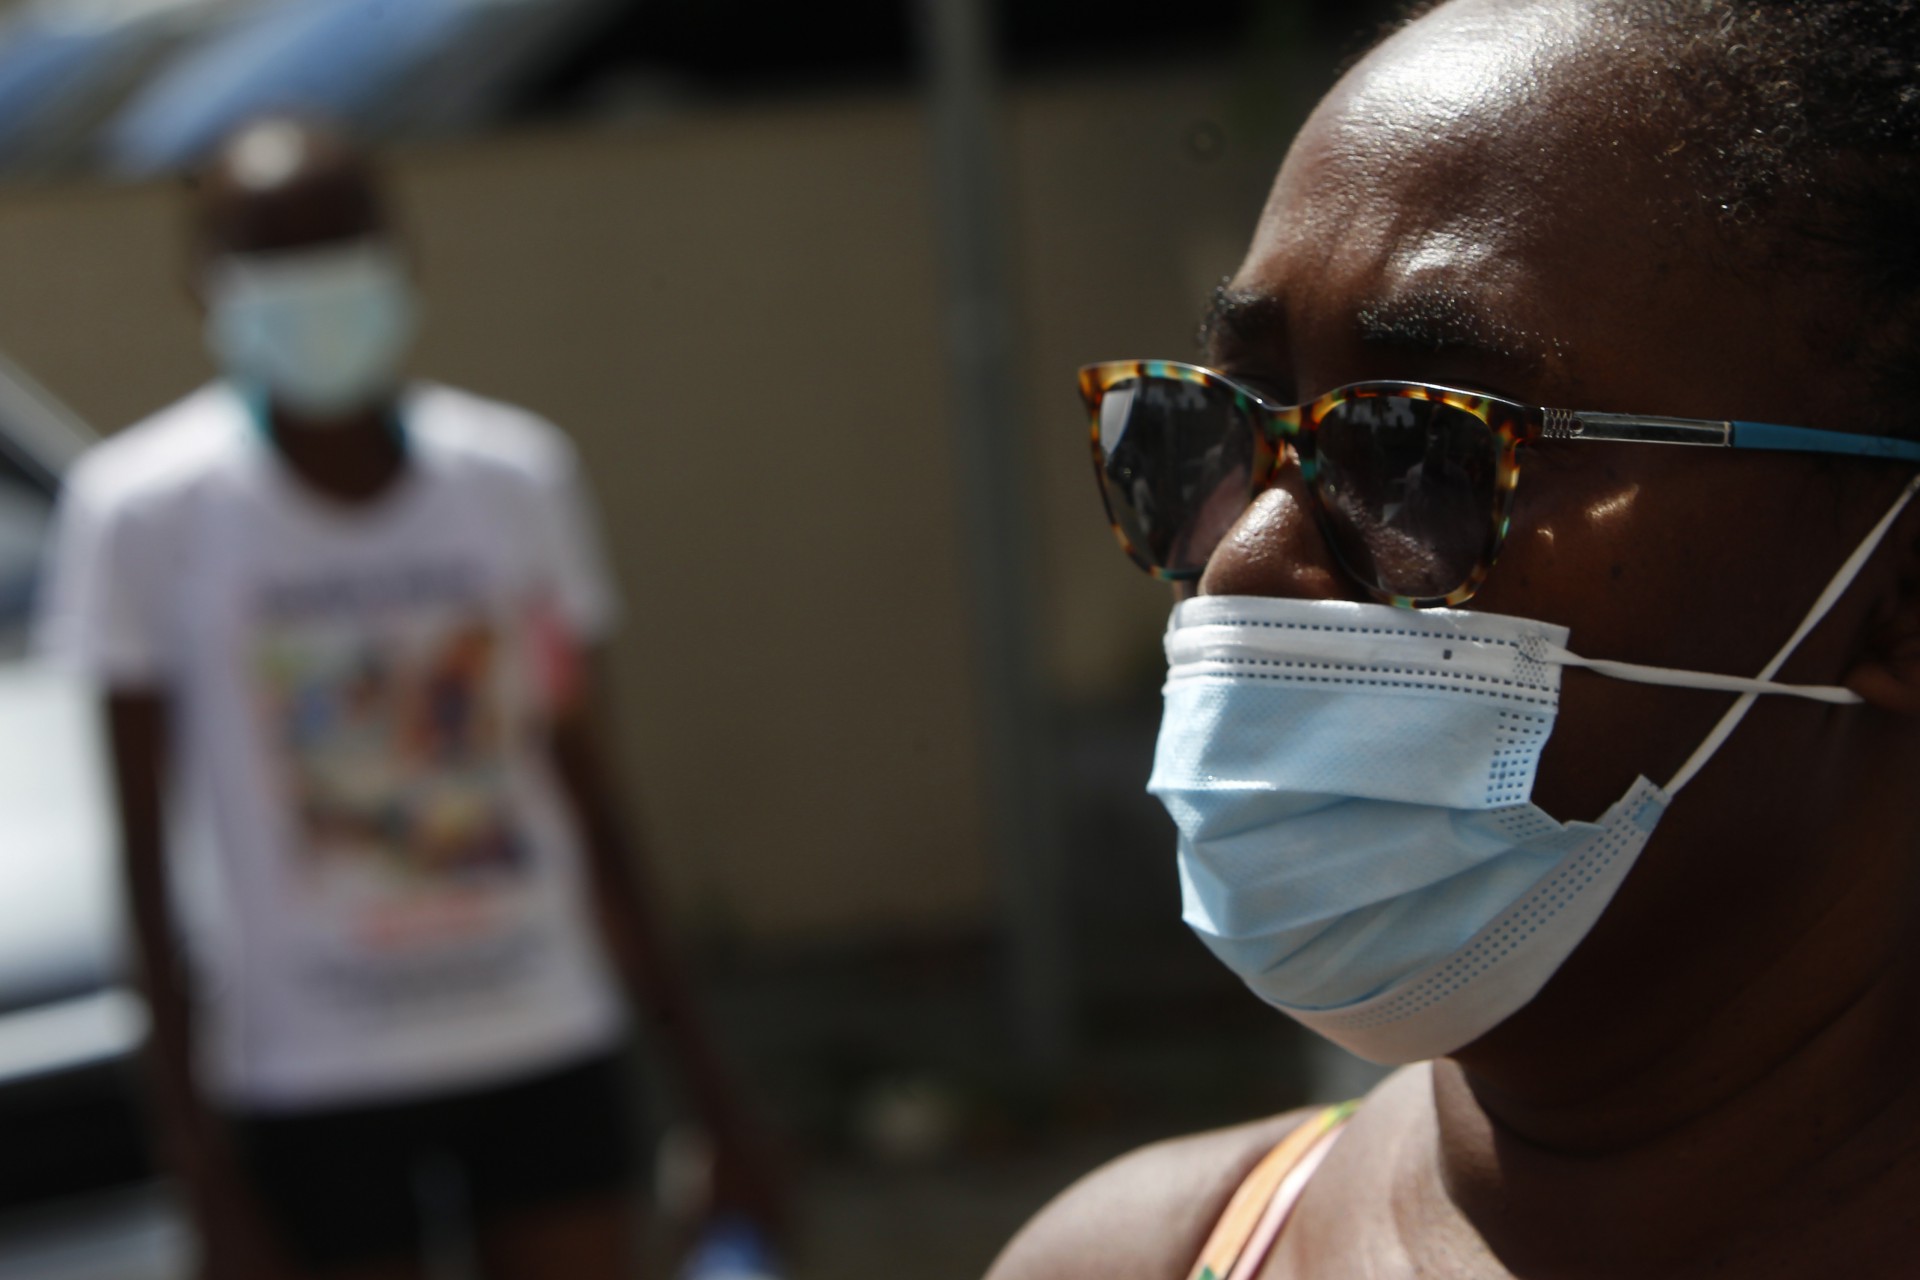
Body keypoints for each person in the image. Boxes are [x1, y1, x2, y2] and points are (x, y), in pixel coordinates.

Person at [992, 1, 1920, 1277]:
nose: (1248, 561)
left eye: (1423, 445)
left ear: (1898, 590)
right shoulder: (1149, 1253)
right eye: (1212, 427)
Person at [36, 116, 774, 1280]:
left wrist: (713, 1097)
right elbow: (141, 859)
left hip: (538, 1036)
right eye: (271, 256)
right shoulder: (139, 513)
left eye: (337, 245)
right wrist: (200, 1169)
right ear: (204, 281)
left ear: (401, 255)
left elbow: (591, 798)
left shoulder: (513, 480)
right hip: (308, 1073)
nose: (312, 287)